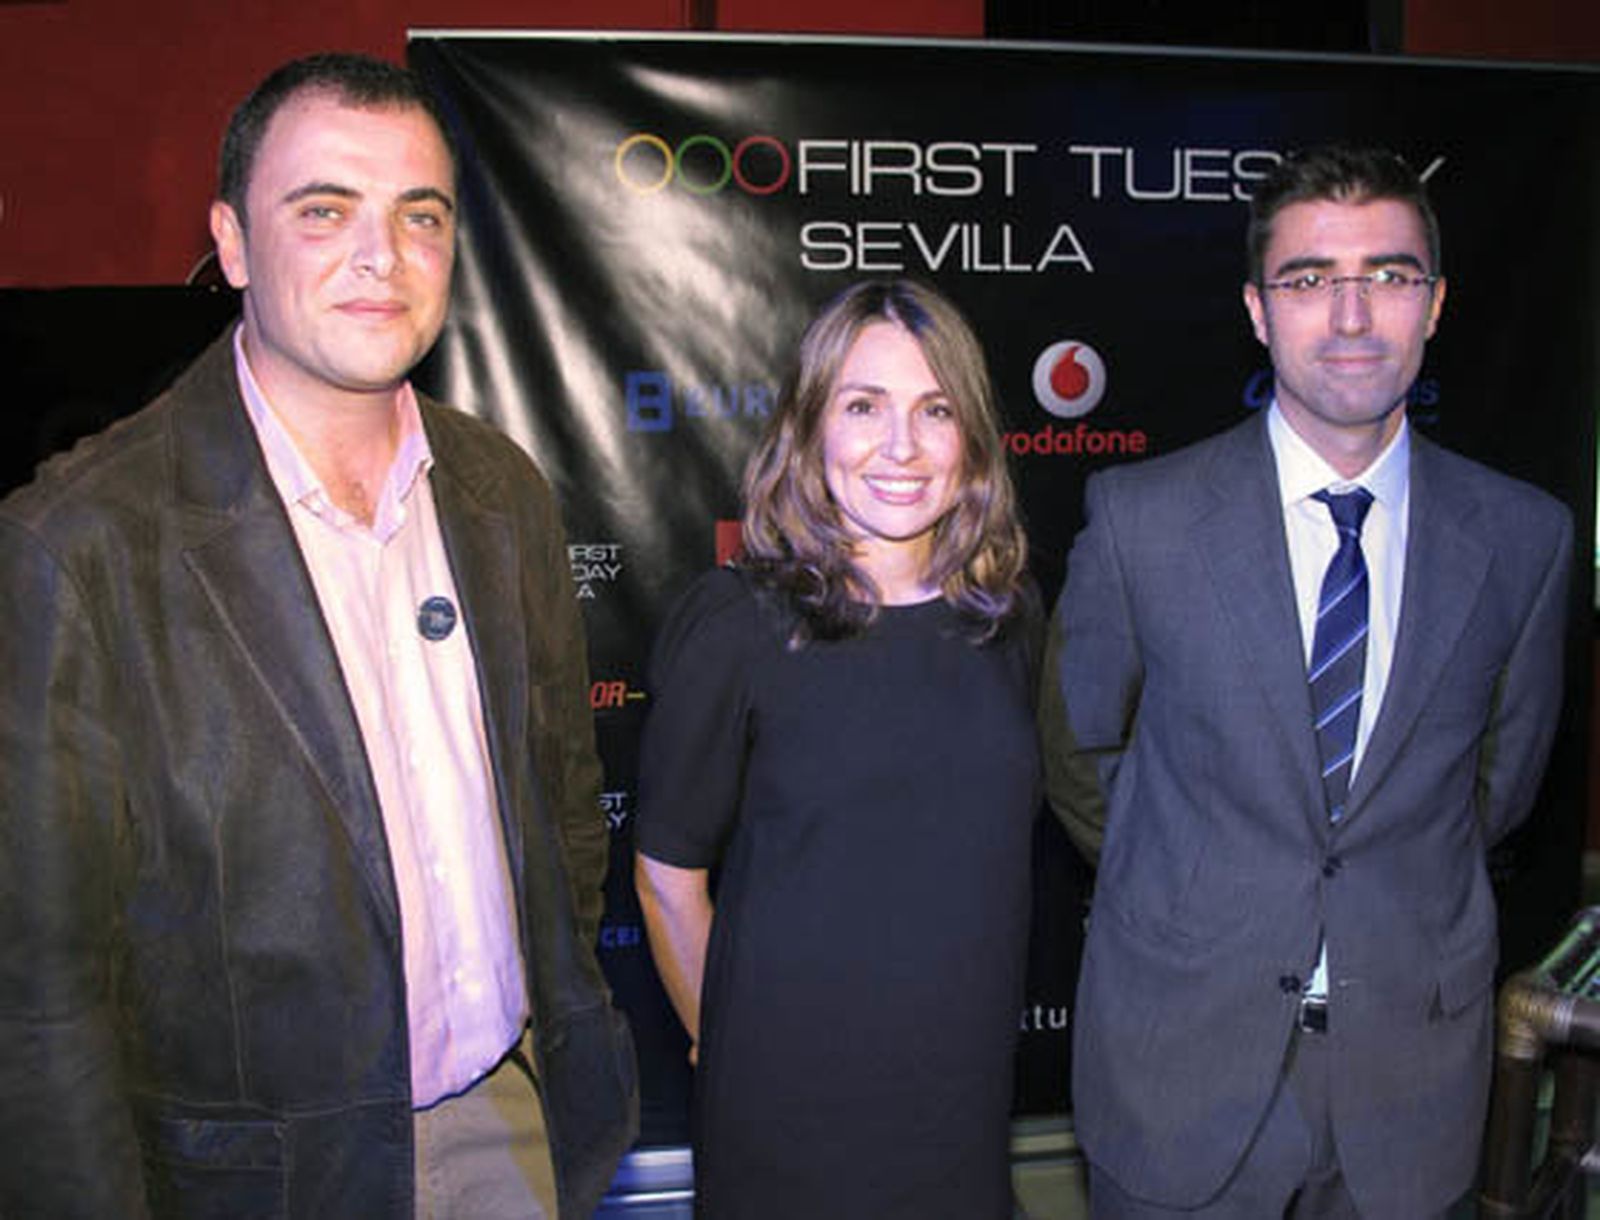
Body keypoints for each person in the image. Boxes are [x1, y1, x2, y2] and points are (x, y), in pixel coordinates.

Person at [0, 53, 636, 1218]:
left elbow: (560, 804)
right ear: (233, 244)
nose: (381, 255)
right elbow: (39, 990)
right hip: (255, 1181)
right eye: (325, 209)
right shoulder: (77, 545)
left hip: (511, 1125)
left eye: (420, 214)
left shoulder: (502, 489)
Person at [1040, 145, 1572, 1219]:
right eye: (1309, 279)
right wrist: (1206, 886)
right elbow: (1082, 755)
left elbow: (1494, 788)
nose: (1350, 315)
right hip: (1178, 1066)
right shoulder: (1141, 521)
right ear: (1257, 309)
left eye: (1389, 275)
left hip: (1413, 1083)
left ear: (1434, 304)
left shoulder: (1525, 539)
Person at [634, 279, 1039, 1219]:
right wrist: (734, 1054)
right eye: (864, 407)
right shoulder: (737, 624)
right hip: (783, 1118)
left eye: (935, 410)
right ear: (811, 425)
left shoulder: (1009, 620)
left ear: (972, 438)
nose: (901, 446)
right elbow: (666, 877)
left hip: (963, 1106)